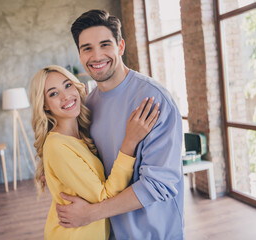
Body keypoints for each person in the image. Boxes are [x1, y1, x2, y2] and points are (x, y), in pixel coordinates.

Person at [55, 9, 184, 240]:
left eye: (105, 45)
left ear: (120, 46)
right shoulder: (87, 105)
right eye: (87, 48)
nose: (96, 56)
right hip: (108, 232)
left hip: (154, 234)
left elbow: (159, 185)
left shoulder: (154, 100)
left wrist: (90, 214)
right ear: (80, 54)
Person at [29, 65, 159, 239]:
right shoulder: (56, 146)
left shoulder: (80, 134)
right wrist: (130, 141)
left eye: (68, 85)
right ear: (44, 105)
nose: (66, 96)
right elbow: (103, 197)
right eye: (53, 93)